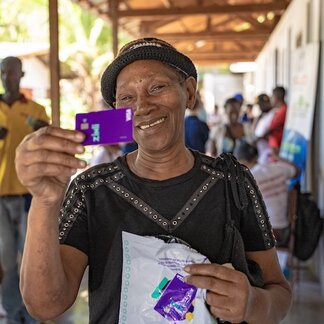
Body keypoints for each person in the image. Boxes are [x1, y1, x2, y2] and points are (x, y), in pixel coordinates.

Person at [15, 38, 291, 324]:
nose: (142, 107)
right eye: (127, 98)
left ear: (189, 92)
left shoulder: (232, 183)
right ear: (117, 113)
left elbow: (279, 293)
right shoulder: (91, 190)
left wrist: (253, 303)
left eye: (157, 88)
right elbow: (45, 306)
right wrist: (44, 200)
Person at [0, 56, 49, 324]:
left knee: (30, 258)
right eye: (4, 72)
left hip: (29, 195)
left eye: (13, 72)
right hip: (0, 197)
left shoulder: (36, 110)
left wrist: (44, 132)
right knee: (6, 262)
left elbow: (48, 143)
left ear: (22, 74)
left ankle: (32, 313)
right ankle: (12, 312)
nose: (8, 77)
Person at [234, 142, 299, 247]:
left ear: (242, 162)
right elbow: (296, 171)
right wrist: (278, 157)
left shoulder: (247, 180)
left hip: (268, 233)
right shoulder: (276, 168)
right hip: (288, 226)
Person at [253, 93, 277, 163]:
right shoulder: (262, 116)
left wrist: (260, 137)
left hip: (270, 152)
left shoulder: (274, 113)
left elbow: (272, 132)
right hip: (261, 153)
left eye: (261, 104)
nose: (259, 107)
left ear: (267, 102)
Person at [268, 86, 288, 153]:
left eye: (272, 96)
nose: (271, 99)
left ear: (277, 97)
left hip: (278, 148)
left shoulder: (283, 110)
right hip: (274, 146)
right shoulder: (278, 110)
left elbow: (271, 127)